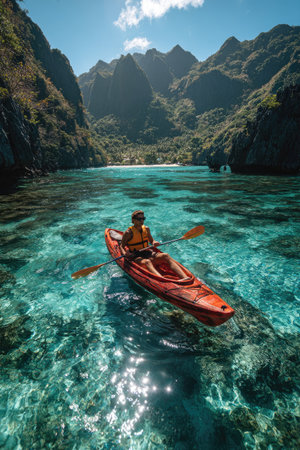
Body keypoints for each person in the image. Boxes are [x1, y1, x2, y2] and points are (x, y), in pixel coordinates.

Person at [120, 210, 189, 280]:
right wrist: (125, 253)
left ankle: (185, 277)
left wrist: (154, 243)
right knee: (147, 262)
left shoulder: (146, 229)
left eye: (143, 219)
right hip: (136, 255)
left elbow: (151, 240)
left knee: (166, 255)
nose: (142, 221)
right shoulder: (128, 232)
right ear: (133, 220)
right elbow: (122, 246)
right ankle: (163, 280)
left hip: (146, 252)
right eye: (139, 219)